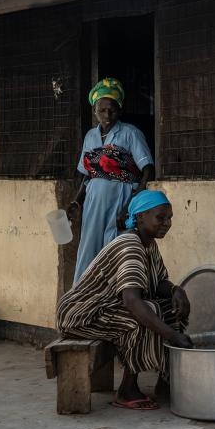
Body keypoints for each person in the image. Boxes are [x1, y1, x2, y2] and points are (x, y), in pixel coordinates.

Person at [57, 190, 191, 410]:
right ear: (140, 217)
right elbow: (132, 302)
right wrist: (173, 335)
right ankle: (127, 390)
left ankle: (165, 380)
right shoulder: (130, 246)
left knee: (170, 307)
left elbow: (158, 282)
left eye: (169, 219)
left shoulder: (148, 244)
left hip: (105, 309)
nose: (167, 223)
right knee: (144, 313)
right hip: (81, 313)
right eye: (160, 218)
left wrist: (178, 291)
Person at [67, 78, 154, 284]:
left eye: (112, 110)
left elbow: (148, 170)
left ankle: (113, 301)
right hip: (94, 202)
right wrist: (76, 202)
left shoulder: (131, 134)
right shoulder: (90, 136)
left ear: (120, 110)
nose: (107, 115)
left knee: (115, 248)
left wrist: (131, 205)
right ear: (95, 110)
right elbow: (87, 174)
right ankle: (82, 298)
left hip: (121, 199)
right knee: (89, 247)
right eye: (102, 110)